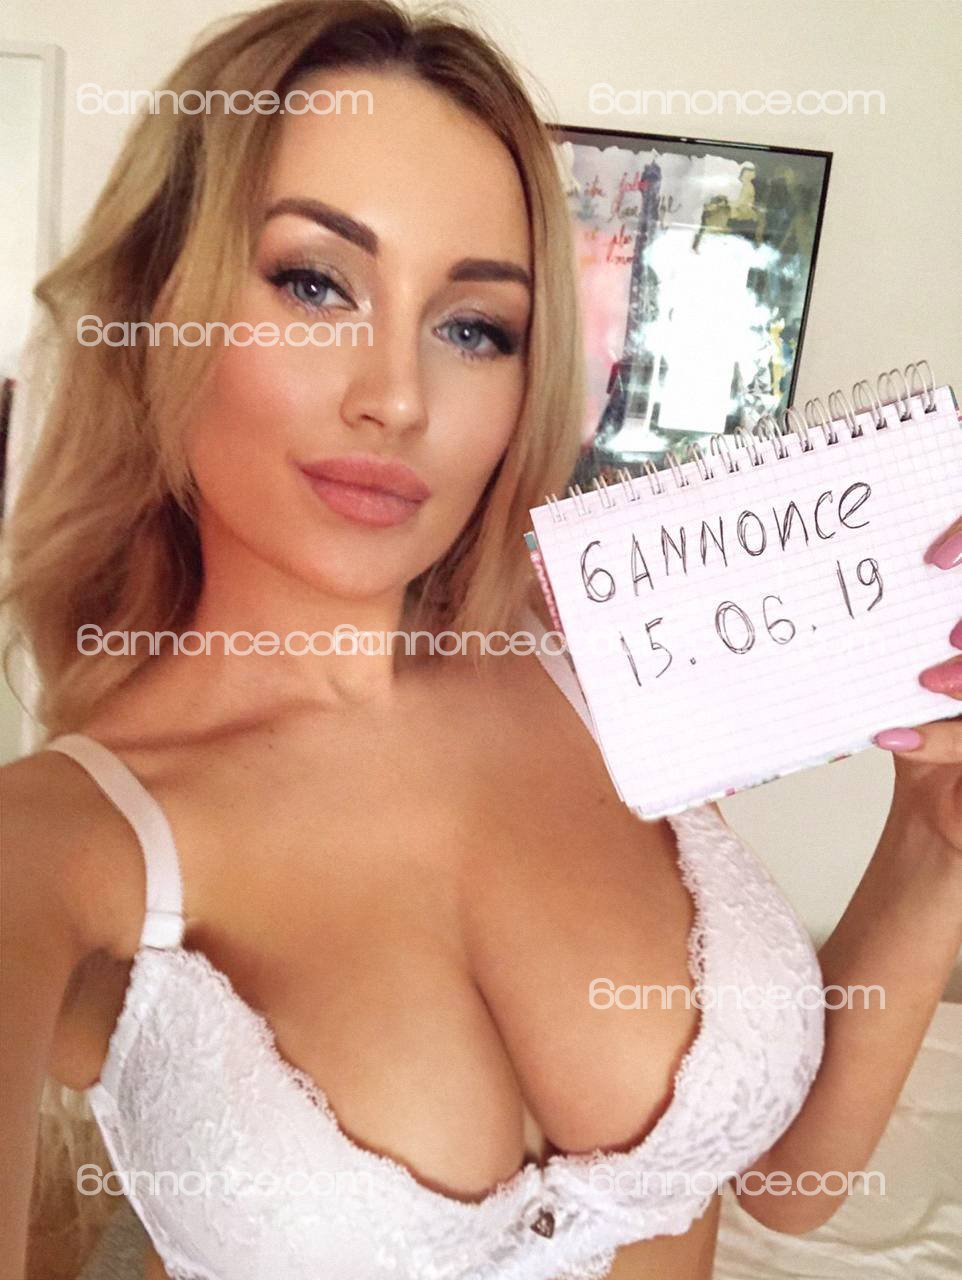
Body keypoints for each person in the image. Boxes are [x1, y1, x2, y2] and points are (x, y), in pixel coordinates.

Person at [3, 3, 962, 1279]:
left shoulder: (598, 672)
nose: (396, 396)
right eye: (313, 282)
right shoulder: (61, 845)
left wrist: (932, 842)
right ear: (155, 308)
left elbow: (783, 1186)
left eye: (472, 327)